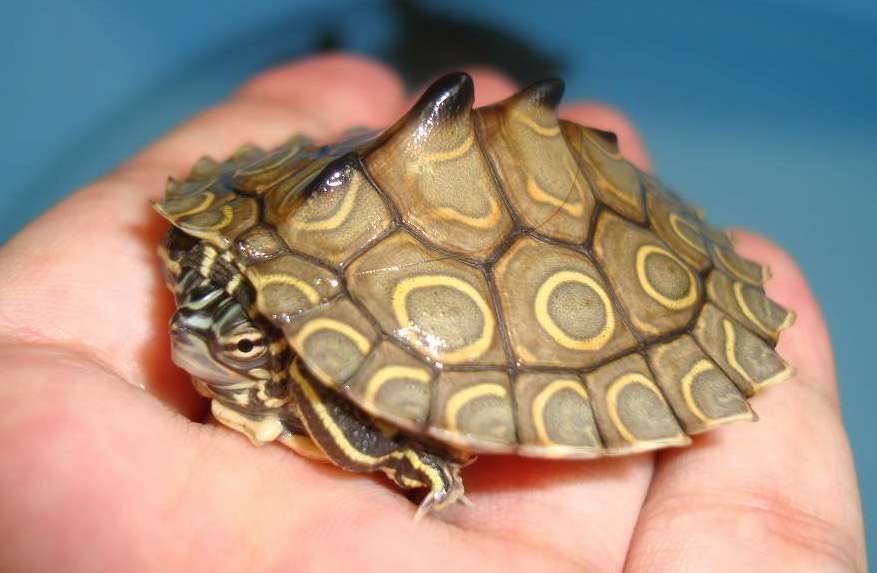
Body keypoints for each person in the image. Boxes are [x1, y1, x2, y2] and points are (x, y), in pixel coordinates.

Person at [0, 54, 865, 572]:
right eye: (220, 321)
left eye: (231, 331)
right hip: (324, 192)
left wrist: (400, 438)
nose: (195, 334)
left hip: (614, 249)